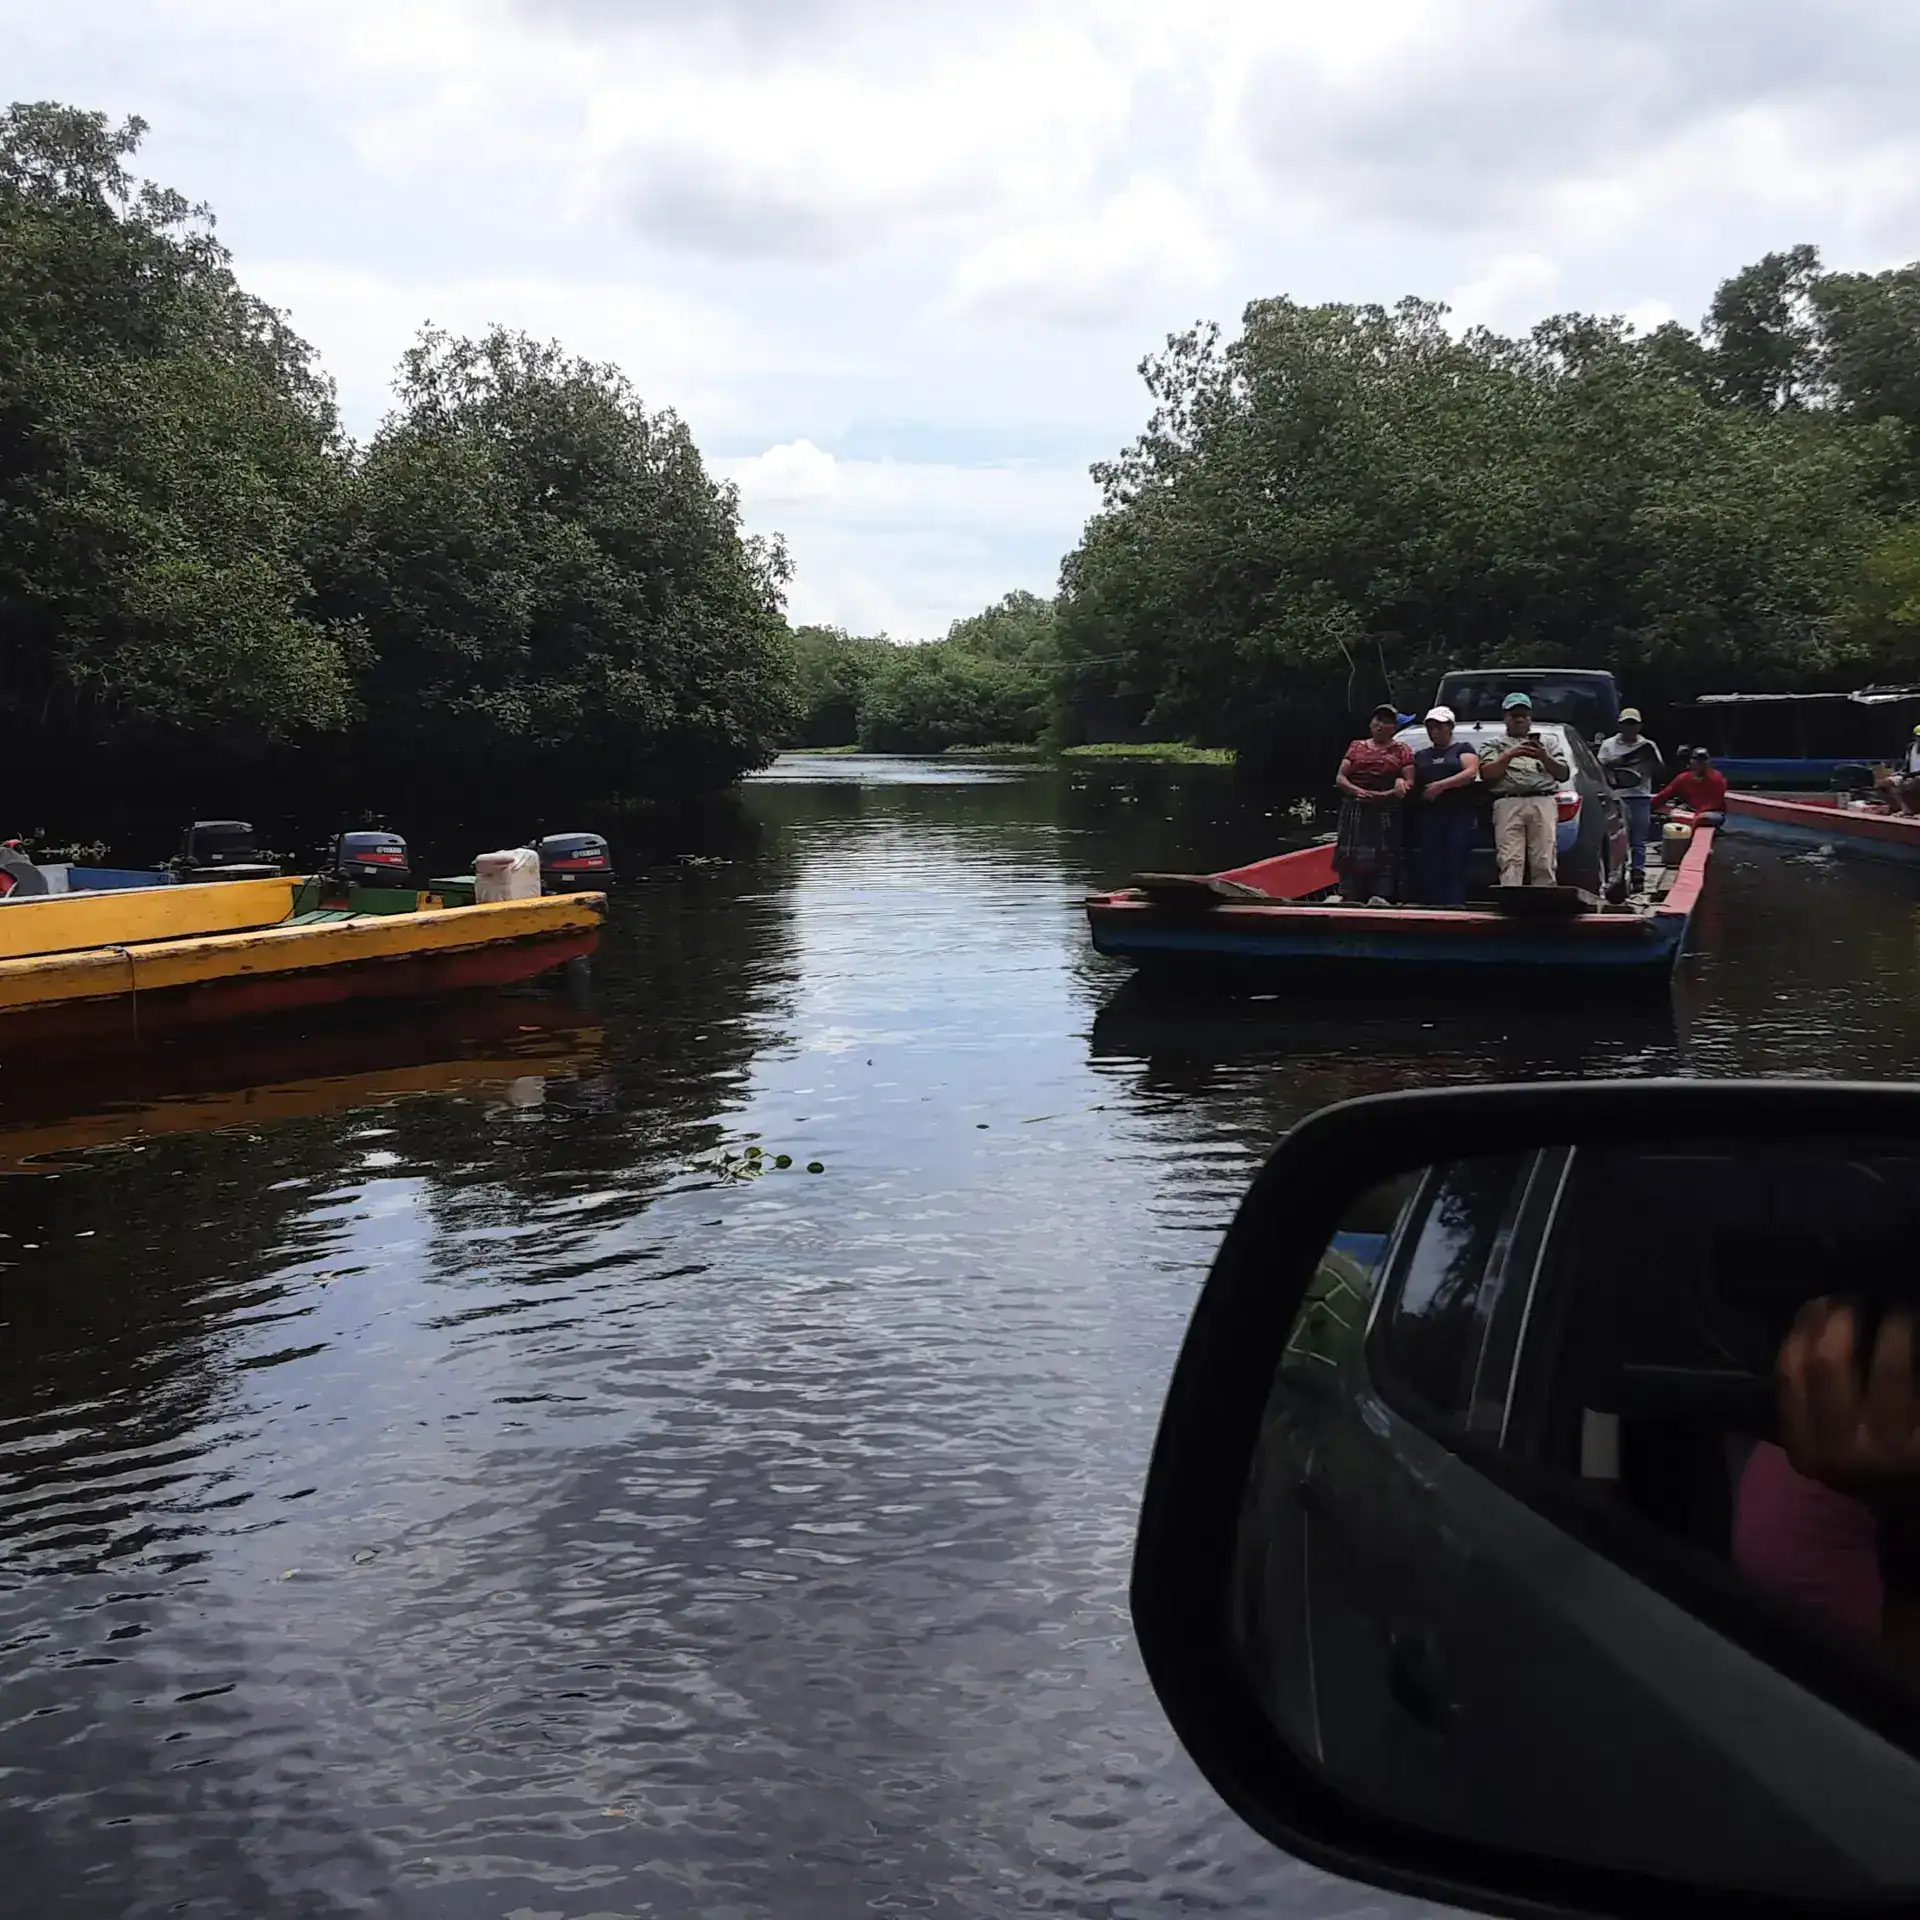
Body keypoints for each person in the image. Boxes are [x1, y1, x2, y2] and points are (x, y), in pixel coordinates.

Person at [1476, 691, 1568, 888]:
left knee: (1544, 858)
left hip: (1542, 800)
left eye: (1523, 716)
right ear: (1505, 717)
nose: (1519, 720)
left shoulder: (1549, 742)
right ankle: (1511, 900)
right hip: (1508, 800)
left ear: (1530, 718)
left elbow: (1563, 774)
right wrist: (1509, 755)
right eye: (1513, 715)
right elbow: (1487, 774)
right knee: (1510, 859)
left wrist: (1544, 756)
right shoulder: (1493, 744)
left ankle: (1544, 903)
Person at [1333, 704, 1413, 904]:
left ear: (1394, 728)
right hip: (1356, 806)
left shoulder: (1402, 750)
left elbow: (1409, 780)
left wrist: (1395, 789)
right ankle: (1349, 895)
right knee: (1350, 855)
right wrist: (1357, 791)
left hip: (1386, 808)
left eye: (1387, 722)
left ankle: (1381, 897)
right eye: (1378, 720)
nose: (1381, 725)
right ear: (1371, 723)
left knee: (1384, 855)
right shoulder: (1356, 746)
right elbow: (1341, 778)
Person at [1410, 706, 1480, 906]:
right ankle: (1432, 904)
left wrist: (1441, 786)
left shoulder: (1463, 749)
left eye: (1439, 727)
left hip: (1457, 814)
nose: (1434, 732)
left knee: (1454, 859)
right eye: (1430, 727)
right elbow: (1410, 777)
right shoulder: (1422, 755)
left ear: (1450, 727)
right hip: (1428, 815)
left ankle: (1455, 904)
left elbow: (1471, 773)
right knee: (1430, 860)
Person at [1597, 707, 1665, 891]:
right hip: (1617, 797)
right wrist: (1614, 764)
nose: (1629, 728)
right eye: (1626, 723)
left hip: (1640, 796)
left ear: (1639, 726)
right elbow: (1600, 769)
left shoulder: (1647, 745)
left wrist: (1650, 761)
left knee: (1639, 840)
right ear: (1620, 725)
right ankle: (1618, 876)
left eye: (1633, 724)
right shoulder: (1609, 745)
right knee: (1619, 838)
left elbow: (1660, 771)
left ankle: (1638, 874)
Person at [1653, 747, 1729, 826]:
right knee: (1670, 816)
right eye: (1697, 759)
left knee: (1703, 818)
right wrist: (1650, 807)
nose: (1700, 762)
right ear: (1691, 761)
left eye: (1703, 760)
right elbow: (1665, 794)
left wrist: (1696, 815)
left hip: (1712, 813)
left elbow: (1714, 803)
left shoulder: (1717, 778)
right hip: (1690, 811)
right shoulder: (1683, 778)